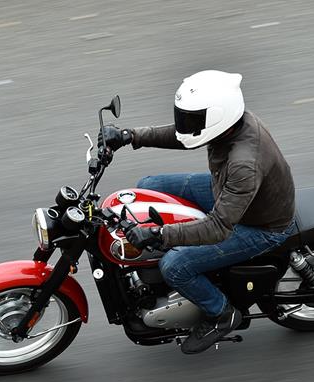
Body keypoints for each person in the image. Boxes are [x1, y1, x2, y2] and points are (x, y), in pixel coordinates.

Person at [100, 70, 296, 354]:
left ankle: (222, 314)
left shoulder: (244, 163)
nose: (186, 124)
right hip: (231, 192)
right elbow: (186, 135)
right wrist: (131, 136)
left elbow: (218, 227)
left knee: (175, 266)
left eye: (192, 119)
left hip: (260, 225)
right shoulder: (230, 123)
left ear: (218, 116)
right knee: (149, 187)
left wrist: (159, 234)